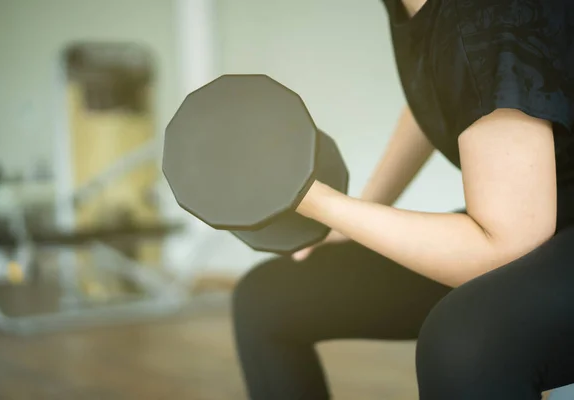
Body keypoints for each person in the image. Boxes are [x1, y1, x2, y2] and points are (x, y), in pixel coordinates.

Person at [232, 0, 574, 399]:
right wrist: (351, 219)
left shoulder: (488, 11)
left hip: (529, 222)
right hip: (546, 205)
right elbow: (441, 92)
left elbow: (505, 247)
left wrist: (310, 197)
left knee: (466, 345)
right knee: (269, 299)